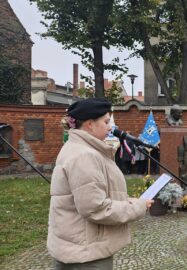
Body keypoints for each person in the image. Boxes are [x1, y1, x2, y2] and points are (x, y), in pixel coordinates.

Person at [49, 98, 153, 269]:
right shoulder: (85, 155)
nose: (110, 127)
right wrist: (138, 206)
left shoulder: (80, 148)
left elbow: (93, 194)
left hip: (78, 247)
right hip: (86, 254)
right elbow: (96, 208)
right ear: (90, 124)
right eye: (105, 122)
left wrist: (126, 200)